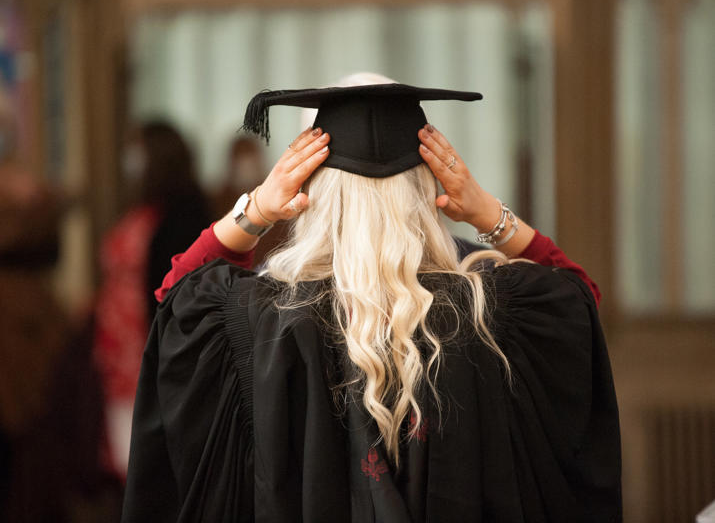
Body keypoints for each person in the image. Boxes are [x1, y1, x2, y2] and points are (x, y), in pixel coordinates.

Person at [122, 84, 621, 522]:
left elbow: (174, 297)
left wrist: (254, 212)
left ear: (313, 195)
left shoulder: (259, 318)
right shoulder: (488, 312)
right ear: (430, 194)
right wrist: (488, 213)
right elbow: (579, 297)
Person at [93, 120, 212, 478]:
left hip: (150, 350)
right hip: (120, 355)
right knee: (126, 465)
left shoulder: (184, 213)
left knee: (149, 469)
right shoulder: (141, 209)